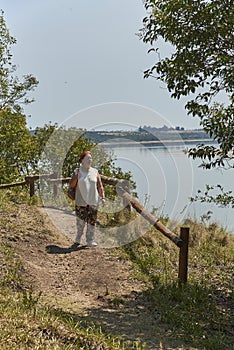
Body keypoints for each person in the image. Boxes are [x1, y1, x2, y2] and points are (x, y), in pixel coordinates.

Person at [69, 150, 105, 248]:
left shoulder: (95, 172)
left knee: (92, 222)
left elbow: (100, 186)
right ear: (82, 160)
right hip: (81, 201)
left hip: (93, 201)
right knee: (80, 222)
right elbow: (71, 185)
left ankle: (90, 240)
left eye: (91, 158)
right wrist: (76, 177)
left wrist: (102, 197)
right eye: (87, 158)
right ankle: (78, 238)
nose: (90, 160)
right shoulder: (77, 171)